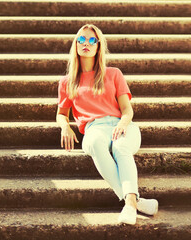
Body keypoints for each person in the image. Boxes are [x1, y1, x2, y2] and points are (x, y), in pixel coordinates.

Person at [56, 24, 158, 225]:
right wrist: (65, 126)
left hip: (122, 125)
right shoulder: (67, 82)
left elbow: (127, 109)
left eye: (92, 40)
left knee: (121, 147)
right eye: (82, 39)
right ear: (75, 45)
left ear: (99, 46)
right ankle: (134, 203)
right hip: (94, 129)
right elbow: (61, 113)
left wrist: (124, 123)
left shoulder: (113, 74)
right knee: (93, 143)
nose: (86, 43)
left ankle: (129, 203)